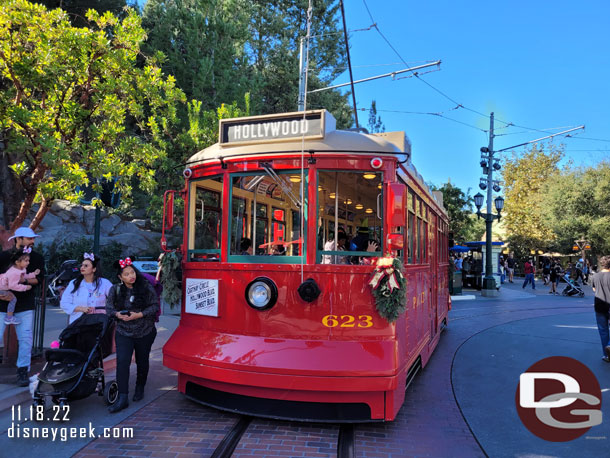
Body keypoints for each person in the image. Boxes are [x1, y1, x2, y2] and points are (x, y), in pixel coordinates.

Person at [105, 257, 158, 412]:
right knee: (122, 362)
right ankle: (122, 397)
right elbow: (109, 309)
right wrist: (117, 314)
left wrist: (139, 314)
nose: (131, 276)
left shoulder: (146, 287)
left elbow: (154, 306)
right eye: (126, 274)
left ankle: (140, 386)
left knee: (142, 361)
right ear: (120, 277)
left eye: (132, 272)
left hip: (144, 331)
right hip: (124, 332)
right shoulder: (115, 290)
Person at [0, 227, 45, 386]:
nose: (32, 241)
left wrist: (22, 281)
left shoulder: (37, 258)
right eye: (28, 238)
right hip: (1, 305)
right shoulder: (4, 257)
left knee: (26, 339)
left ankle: (22, 371)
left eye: (33, 238)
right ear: (18, 239)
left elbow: (39, 279)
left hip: (25, 305)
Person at [60, 253, 112, 324]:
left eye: (86, 266)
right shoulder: (74, 283)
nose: (82, 267)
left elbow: (114, 299)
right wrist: (81, 309)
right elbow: (64, 303)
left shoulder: (105, 283)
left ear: (94, 269)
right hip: (77, 323)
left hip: (98, 324)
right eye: (82, 265)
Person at [591, 255, 610, 362]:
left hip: (599, 306)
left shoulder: (595, 276)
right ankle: (609, 345)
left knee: (603, 331)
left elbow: (594, 289)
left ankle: (606, 355)